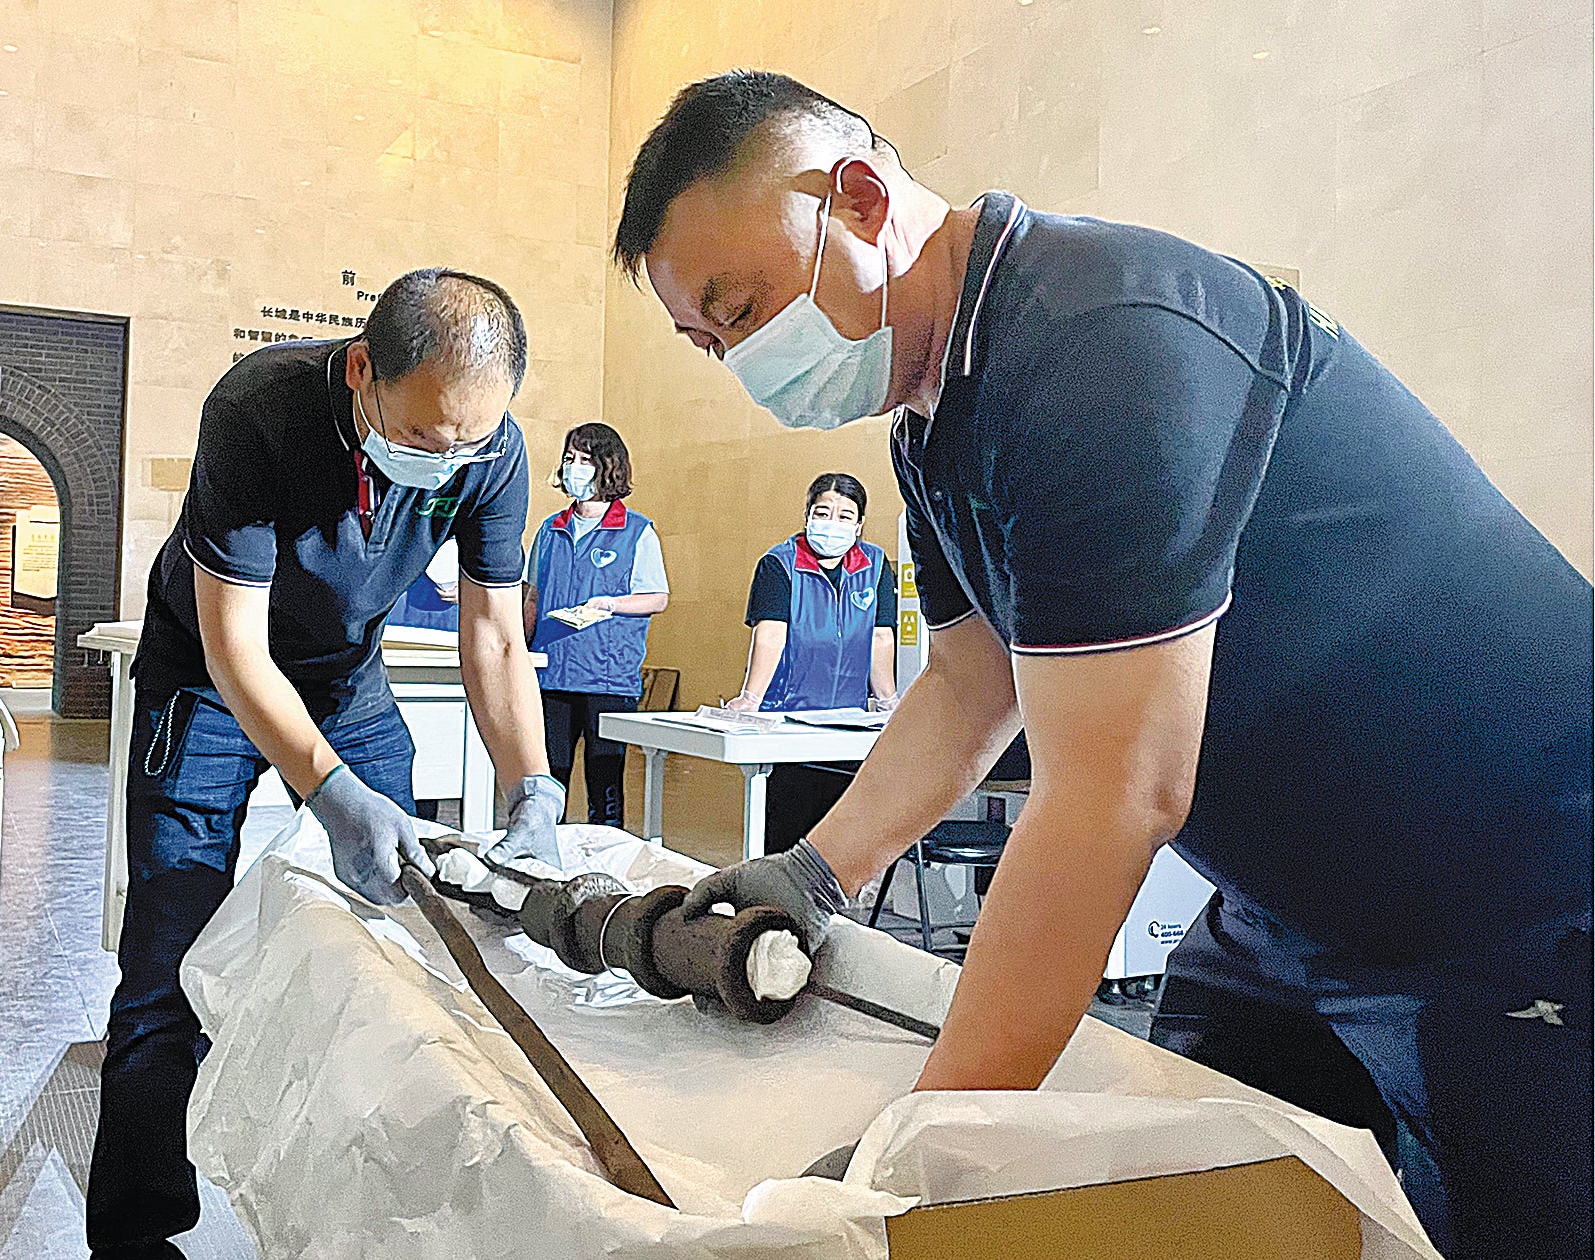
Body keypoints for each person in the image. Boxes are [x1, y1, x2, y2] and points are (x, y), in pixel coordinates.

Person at [611, 70, 1592, 1260]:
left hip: (1516, 891)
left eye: (746, 305)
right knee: (1180, 1199)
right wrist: (817, 871)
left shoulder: (1100, 343)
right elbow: (974, 686)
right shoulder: (934, 416)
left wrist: (924, 1152)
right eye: (713, 343)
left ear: (861, 200)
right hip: (1292, 909)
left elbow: (1119, 793)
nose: (747, 357)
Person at [88, 268, 567, 1260]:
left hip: (346, 677)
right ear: (363, 372)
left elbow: (494, 639)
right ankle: (135, 1236)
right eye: (429, 437)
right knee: (166, 957)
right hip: (209, 675)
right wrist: (331, 793)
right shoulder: (259, 414)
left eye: (471, 441)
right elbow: (235, 649)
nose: (450, 459)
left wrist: (534, 786)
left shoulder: (494, 449)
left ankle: (366, 1216)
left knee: (400, 937)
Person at [724, 470, 897, 852]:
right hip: (787, 720)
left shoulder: (875, 564)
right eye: (823, 512)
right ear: (807, 516)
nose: (832, 523)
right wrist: (750, 699)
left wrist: (888, 702)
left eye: (844, 515)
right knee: (788, 832)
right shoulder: (778, 564)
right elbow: (770, 633)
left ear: (859, 524)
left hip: (847, 722)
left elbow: (880, 637)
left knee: (836, 831)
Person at [523, 422, 669, 827]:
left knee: (605, 779)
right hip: (553, 674)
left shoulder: (637, 531)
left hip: (608, 677)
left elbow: (657, 598)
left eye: (585, 460)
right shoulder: (550, 530)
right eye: (570, 459)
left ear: (608, 467)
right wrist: (521, 647)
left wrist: (612, 603)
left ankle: (608, 856)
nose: (574, 468)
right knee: (549, 774)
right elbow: (533, 596)